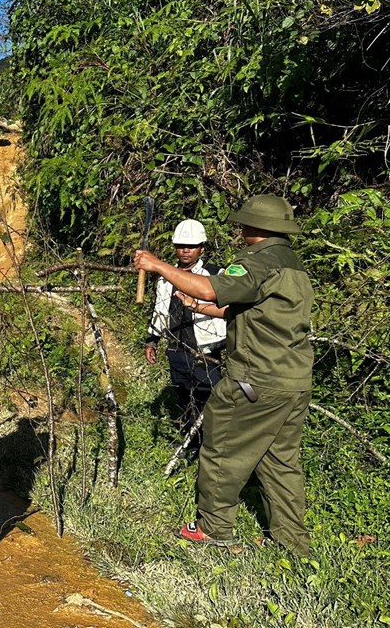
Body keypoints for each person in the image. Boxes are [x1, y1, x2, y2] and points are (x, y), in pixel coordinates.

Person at [134, 195, 313, 555]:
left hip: (256, 380)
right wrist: (199, 307)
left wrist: (156, 265)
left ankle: (213, 528)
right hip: (293, 382)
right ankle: (292, 542)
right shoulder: (292, 265)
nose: (240, 228)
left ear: (256, 227)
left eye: (244, 223)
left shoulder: (257, 261)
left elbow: (209, 286)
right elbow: (251, 312)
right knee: (279, 461)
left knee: (221, 447)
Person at [144, 219, 227, 437]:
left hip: (205, 351)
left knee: (211, 397)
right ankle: (191, 440)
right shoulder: (165, 277)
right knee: (184, 397)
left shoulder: (215, 274)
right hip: (176, 349)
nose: (185, 251)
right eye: (181, 246)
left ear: (202, 248)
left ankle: (214, 442)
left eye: (191, 246)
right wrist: (152, 339)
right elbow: (160, 309)